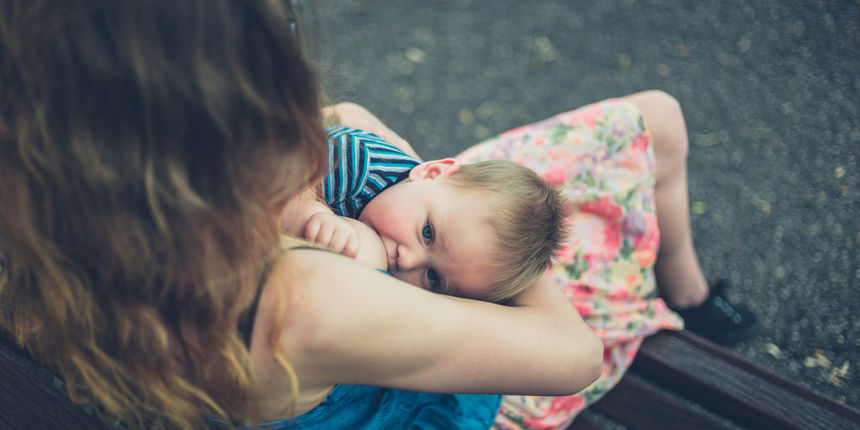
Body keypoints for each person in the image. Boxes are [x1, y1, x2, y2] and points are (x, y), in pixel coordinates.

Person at [0, 1, 603, 429]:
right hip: (377, 399)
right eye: (281, 32)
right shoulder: (305, 294)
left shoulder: (41, 210)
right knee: (638, 125)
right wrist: (497, 252)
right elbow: (575, 357)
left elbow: (346, 115)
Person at [280, 124, 568, 301]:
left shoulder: (425, 207)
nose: (407, 261)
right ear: (430, 172)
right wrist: (312, 212)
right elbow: (269, 165)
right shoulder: (355, 160)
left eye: (433, 278)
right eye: (427, 233)